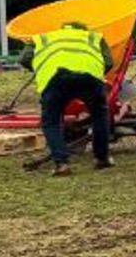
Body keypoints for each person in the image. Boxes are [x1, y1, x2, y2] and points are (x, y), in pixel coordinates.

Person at [22, 19, 115, 176]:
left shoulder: (42, 38)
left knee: (51, 122)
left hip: (56, 79)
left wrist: (42, 68)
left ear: (63, 29)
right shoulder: (94, 37)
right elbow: (109, 62)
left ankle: (62, 164)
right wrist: (96, 74)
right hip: (90, 79)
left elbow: (25, 58)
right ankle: (102, 158)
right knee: (99, 116)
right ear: (83, 30)